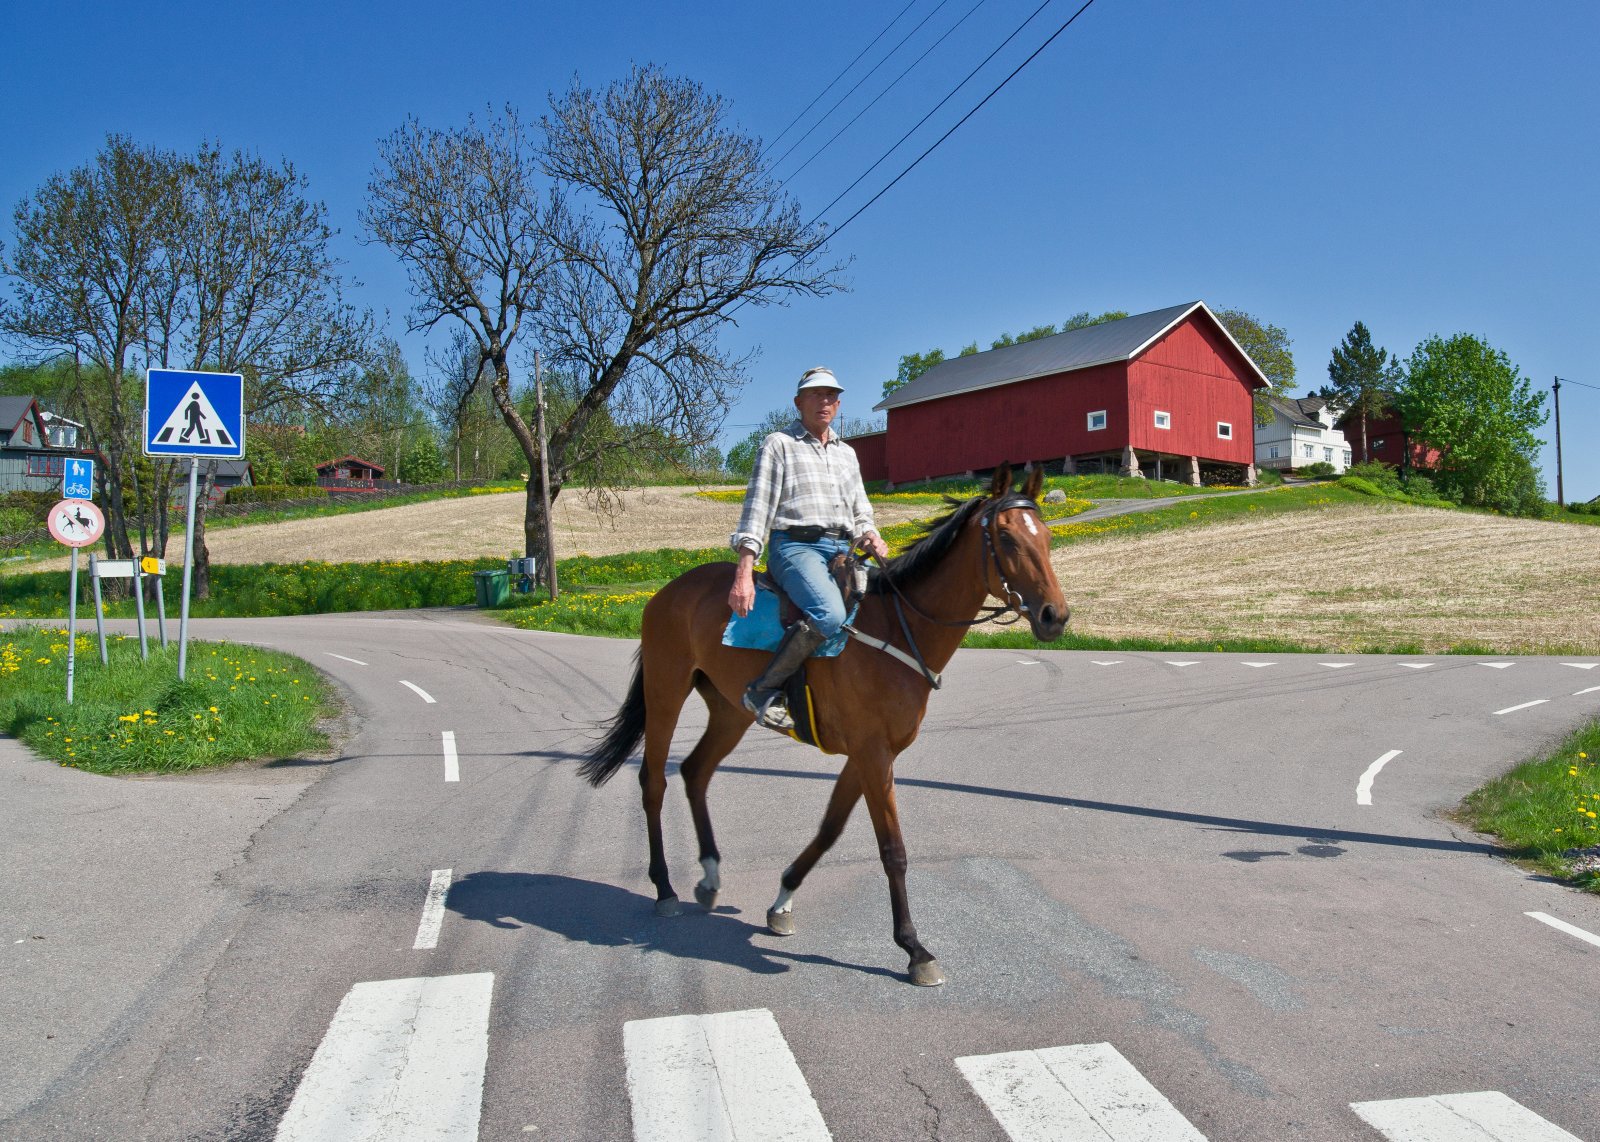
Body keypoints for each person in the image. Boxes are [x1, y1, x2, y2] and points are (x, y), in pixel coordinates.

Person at [729, 366, 890, 730]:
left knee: (888, 599)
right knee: (830, 614)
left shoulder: (847, 453)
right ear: (799, 401)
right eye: (816, 394)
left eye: (831, 395)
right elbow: (757, 509)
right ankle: (763, 689)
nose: (825, 401)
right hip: (794, 548)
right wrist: (744, 573)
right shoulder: (779, 444)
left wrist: (869, 533)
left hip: (839, 550)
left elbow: (861, 510)